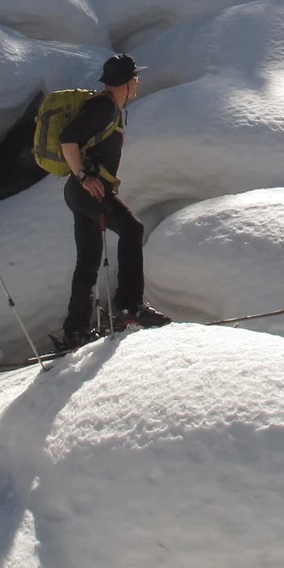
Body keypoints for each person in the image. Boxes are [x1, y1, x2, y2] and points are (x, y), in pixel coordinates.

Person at [55, 54, 170, 349]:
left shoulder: (109, 107)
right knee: (132, 229)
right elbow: (67, 139)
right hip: (87, 190)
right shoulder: (103, 107)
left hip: (82, 192)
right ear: (127, 82)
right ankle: (130, 306)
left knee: (89, 260)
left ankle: (76, 330)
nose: (139, 82)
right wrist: (83, 176)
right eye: (136, 77)